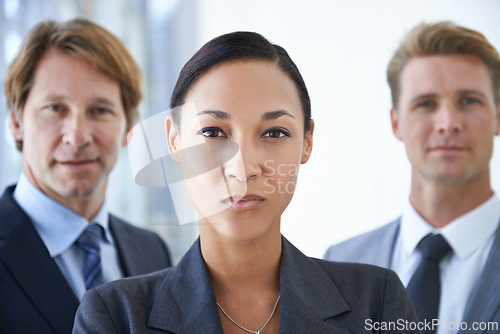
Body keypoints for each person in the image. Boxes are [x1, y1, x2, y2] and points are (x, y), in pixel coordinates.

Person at [73, 31, 417, 334]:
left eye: (274, 132)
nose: (243, 168)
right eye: (212, 132)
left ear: (307, 142)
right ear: (174, 140)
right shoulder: (115, 316)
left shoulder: (377, 299)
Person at [324, 21, 500, 333]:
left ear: (498, 116)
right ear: (396, 123)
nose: (448, 123)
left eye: (469, 101)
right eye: (426, 104)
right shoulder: (339, 263)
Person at [0, 19, 172, 333]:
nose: (77, 136)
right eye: (55, 108)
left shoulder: (152, 252)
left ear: (128, 128)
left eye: (100, 110)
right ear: (15, 123)